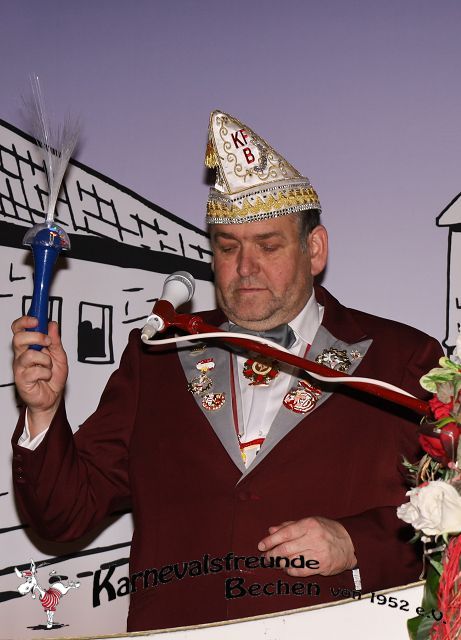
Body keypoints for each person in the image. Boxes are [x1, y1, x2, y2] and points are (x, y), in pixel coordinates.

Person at [11, 111, 442, 632]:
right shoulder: (158, 357)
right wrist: (43, 411)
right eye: (228, 246)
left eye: (268, 245)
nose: (245, 267)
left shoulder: (402, 360)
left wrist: (355, 542)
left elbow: (449, 518)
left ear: (315, 249)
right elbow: (65, 514)